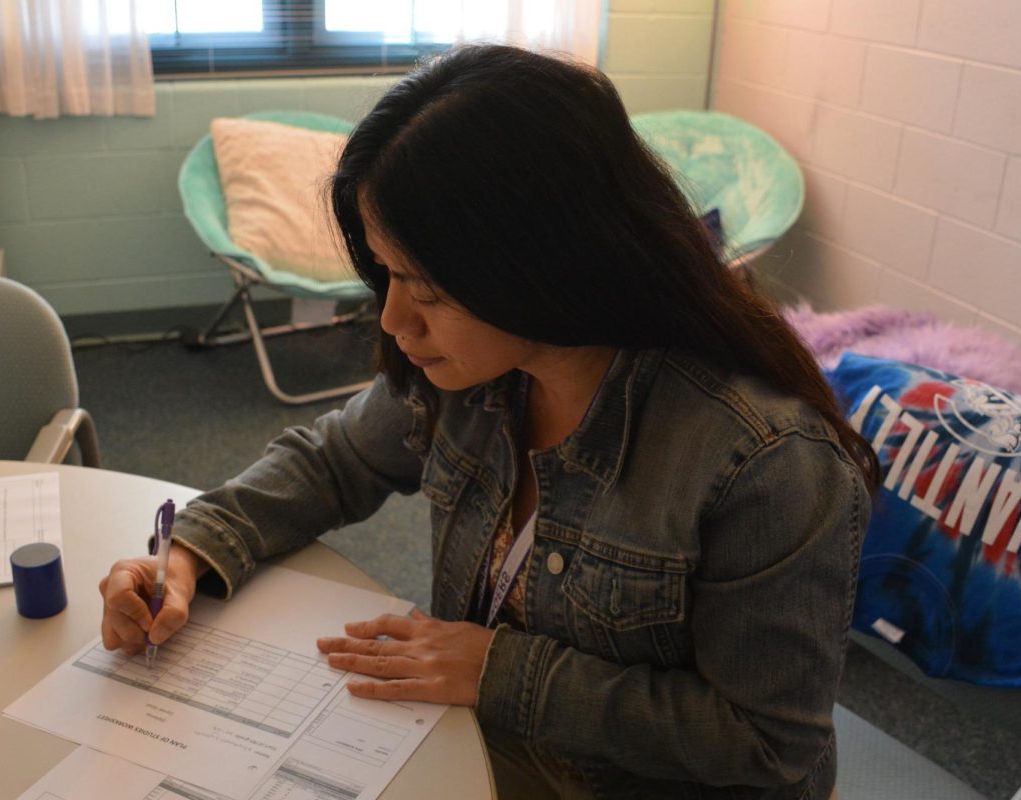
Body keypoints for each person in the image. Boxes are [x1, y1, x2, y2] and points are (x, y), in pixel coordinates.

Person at [100, 44, 877, 799]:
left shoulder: (767, 464)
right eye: (387, 275)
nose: (396, 320)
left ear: (541, 268)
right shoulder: (473, 378)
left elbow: (763, 740)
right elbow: (331, 462)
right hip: (484, 737)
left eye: (427, 289)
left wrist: (497, 671)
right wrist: (193, 551)